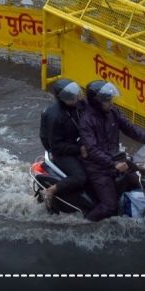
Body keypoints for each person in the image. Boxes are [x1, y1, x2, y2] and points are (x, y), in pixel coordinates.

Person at [78, 80, 145, 222]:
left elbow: (129, 128)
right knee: (109, 206)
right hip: (98, 168)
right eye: (107, 101)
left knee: (141, 185)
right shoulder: (86, 121)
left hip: (117, 160)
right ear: (96, 102)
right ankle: (85, 224)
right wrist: (113, 164)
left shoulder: (113, 112)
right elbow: (92, 149)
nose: (110, 103)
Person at [39, 78, 88, 211]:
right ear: (63, 99)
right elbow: (56, 146)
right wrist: (79, 149)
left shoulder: (79, 104)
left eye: (77, 96)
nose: (77, 99)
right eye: (73, 98)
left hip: (78, 142)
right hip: (62, 151)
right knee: (80, 177)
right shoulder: (54, 116)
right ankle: (51, 190)